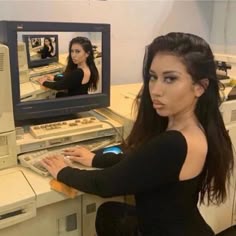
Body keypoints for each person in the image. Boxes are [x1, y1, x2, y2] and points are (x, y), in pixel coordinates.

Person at [40, 32, 234, 236]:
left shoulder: (174, 143)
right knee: (109, 213)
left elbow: (104, 184)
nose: (155, 90)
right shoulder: (195, 126)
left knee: (109, 214)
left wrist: (63, 171)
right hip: (182, 225)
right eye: (153, 77)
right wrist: (95, 158)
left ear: (199, 87)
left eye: (170, 79)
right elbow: (141, 160)